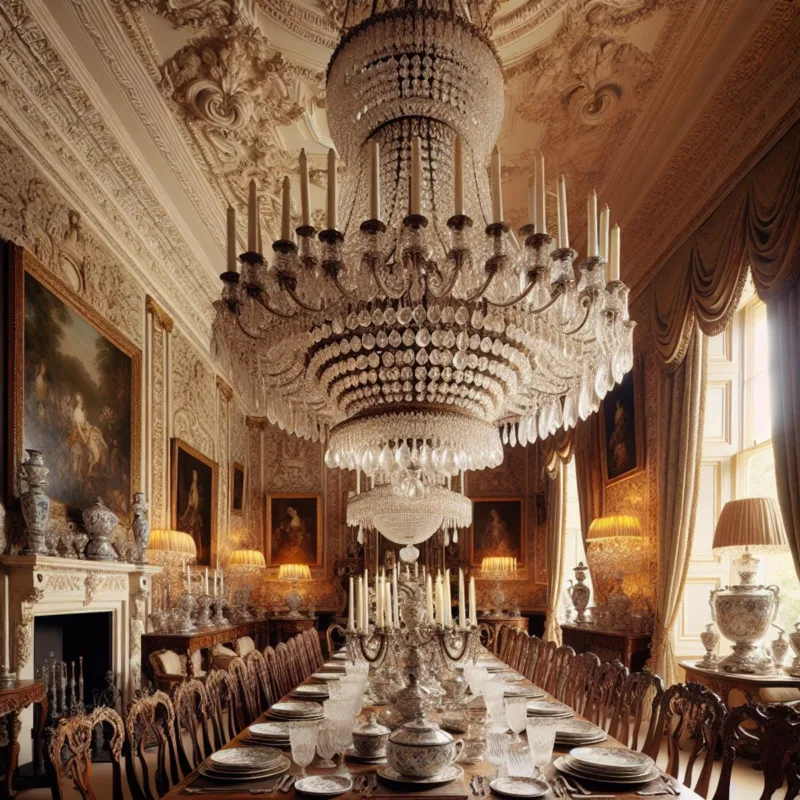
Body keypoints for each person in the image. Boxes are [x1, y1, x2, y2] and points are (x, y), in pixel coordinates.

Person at [179, 469, 205, 559]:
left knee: (195, 537)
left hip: (194, 522)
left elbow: (195, 502)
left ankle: (195, 555)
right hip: (191, 518)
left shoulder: (196, 514)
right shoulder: (192, 488)